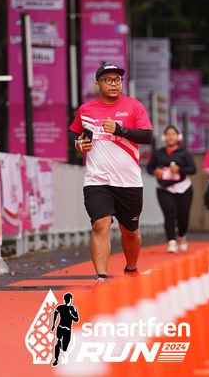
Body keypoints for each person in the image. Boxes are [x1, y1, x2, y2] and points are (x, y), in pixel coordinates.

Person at [69, 63, 154, 285]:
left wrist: (120, 130)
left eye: (117, 79)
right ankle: (101, 277)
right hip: (97, 180)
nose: (114, 84)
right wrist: (78, 144)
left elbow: (147, 136)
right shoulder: (86, 110)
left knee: (130, 232)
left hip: (128, 181)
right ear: (97, 84)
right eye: (108, 80)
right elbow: (73, 133)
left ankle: (131, 267)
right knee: (100, 225)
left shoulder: (133, 106)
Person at [146, 125, 197, 253]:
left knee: (183, 215)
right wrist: (155, 172)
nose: (170, 137)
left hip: (183, 187)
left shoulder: (184, 153)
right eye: (168, 134)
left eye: (173, 134)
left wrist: (179, 169)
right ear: (164, 137)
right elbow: (149, 167)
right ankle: (171, 241)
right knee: (169, 213)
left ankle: (182, 235)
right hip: (164, 188)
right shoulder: (158, 153)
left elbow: (193, 169)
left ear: (178, 137)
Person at [50, 292, 79, 367]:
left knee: (63, 347)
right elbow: (55, 314)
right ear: (70, 299)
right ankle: (56, 359)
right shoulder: (64, 307)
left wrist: (53, 325)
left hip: (63, 328)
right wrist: (53, 324)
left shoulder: (72, 308)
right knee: (59, 343)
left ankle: (59, 348)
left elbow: (76, 319)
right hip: (64, 328)